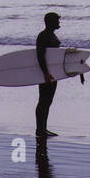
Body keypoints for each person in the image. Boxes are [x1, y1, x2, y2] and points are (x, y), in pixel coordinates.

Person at [35, 11, 62, 139]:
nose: (59, 22)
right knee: (43, 101)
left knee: (48, 101)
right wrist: (45, 73)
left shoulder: (51, 35)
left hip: (53, 74)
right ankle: (40, 130)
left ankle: (43, 128)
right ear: (50, 22)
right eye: (57, 20)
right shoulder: (43, 36)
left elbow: (55, 56)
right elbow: (40, 56)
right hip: (46, 74)